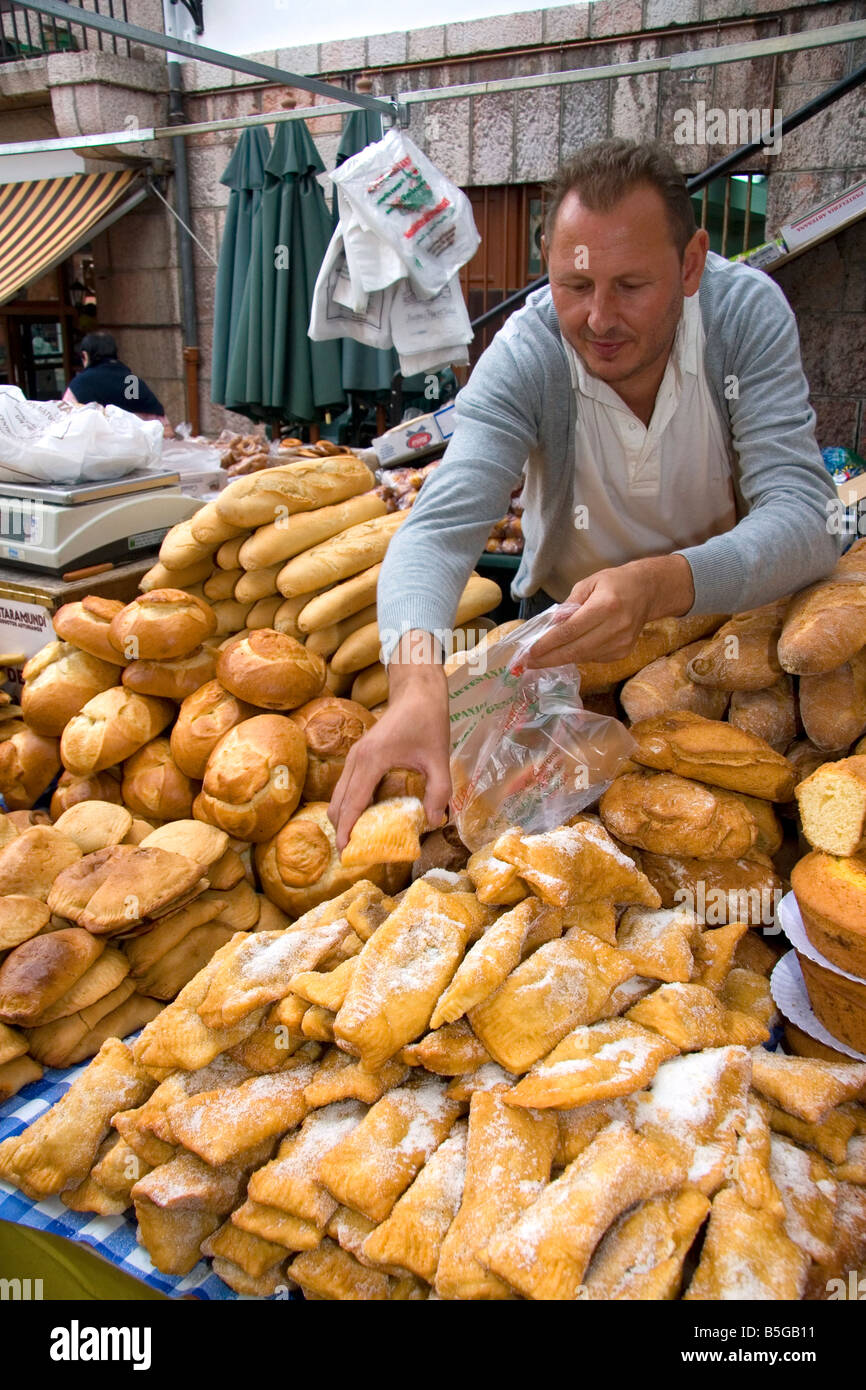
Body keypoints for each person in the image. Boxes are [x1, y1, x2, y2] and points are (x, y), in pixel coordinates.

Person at [329, 137, 842, 849]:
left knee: (720, 843)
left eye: (631, 286)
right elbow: (440, 530)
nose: (599, 319)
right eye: (574, 286)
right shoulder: (528, 352)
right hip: (562, 654)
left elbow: (806, 516)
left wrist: (661, 584)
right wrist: (416, 683)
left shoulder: (742, 317)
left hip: (723, 643)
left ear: (691, 263)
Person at [64, 331, 168, 426]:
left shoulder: (79, 385)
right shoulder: (132, 382)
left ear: (85, 355)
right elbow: (164, 429)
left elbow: (63, 422)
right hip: (135, 444)